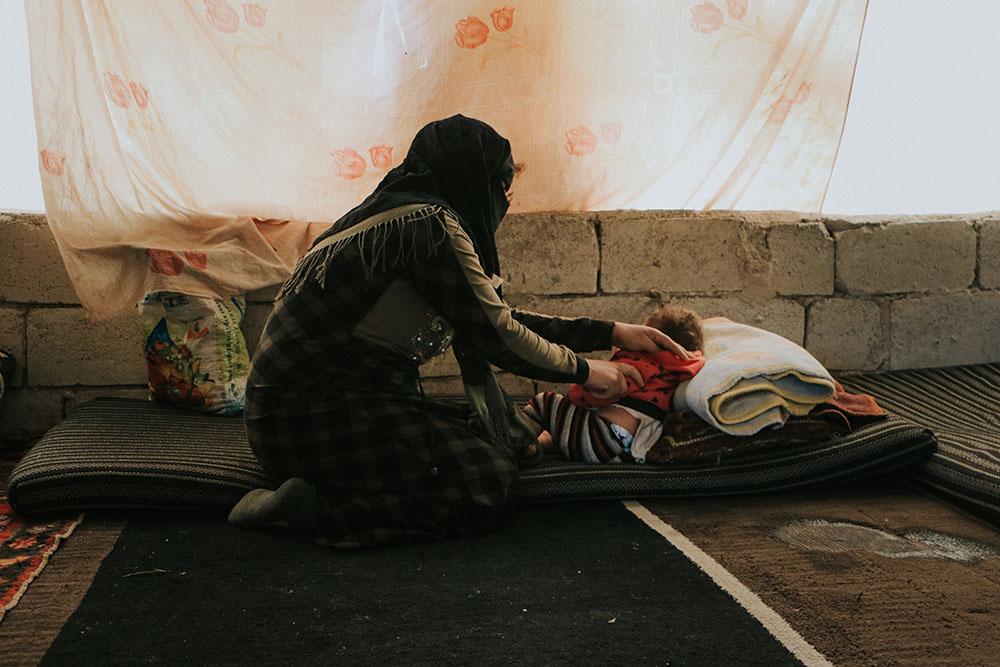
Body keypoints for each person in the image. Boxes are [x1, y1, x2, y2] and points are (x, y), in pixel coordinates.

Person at [228, 114, 693, 550]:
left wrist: (611, 330)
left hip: (296, 418)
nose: (502, 204)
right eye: (502, 188)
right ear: (474, 180)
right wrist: (586, 370)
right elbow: (498, 335)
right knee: (488, 481)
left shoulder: (383, 219)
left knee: (496, 437)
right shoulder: (427, 226)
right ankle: (318, 507)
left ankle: (321, 486)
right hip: (315, 420)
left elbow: (492, 318)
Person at [522, 305, 705, 464]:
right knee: (566, 428)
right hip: (632, 449)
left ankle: (515, 442)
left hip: (602, 439)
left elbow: (585, 395)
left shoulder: (638, 363)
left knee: (544, 402)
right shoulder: (684, 366)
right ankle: (539, 445)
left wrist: (578, 392)